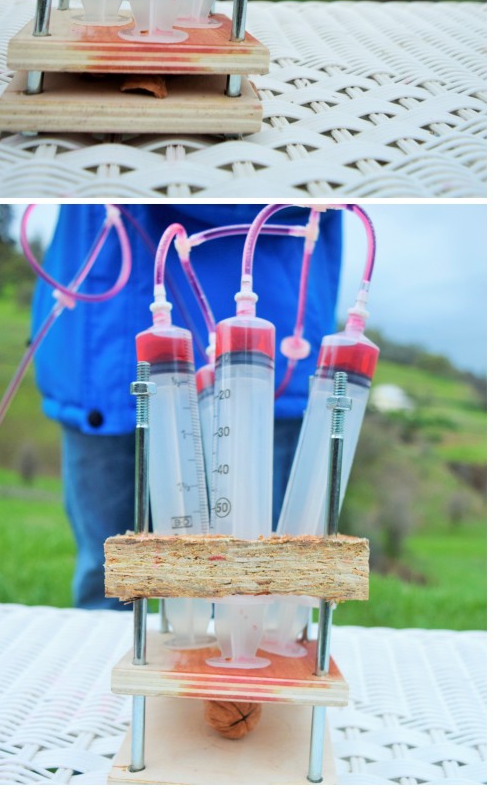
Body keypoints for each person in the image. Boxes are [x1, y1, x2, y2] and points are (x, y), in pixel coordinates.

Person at [31, 205, 343, 609]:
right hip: (97, 358)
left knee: (251, 598)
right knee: (108, 583)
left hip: (255, 372)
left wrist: (146, 164)